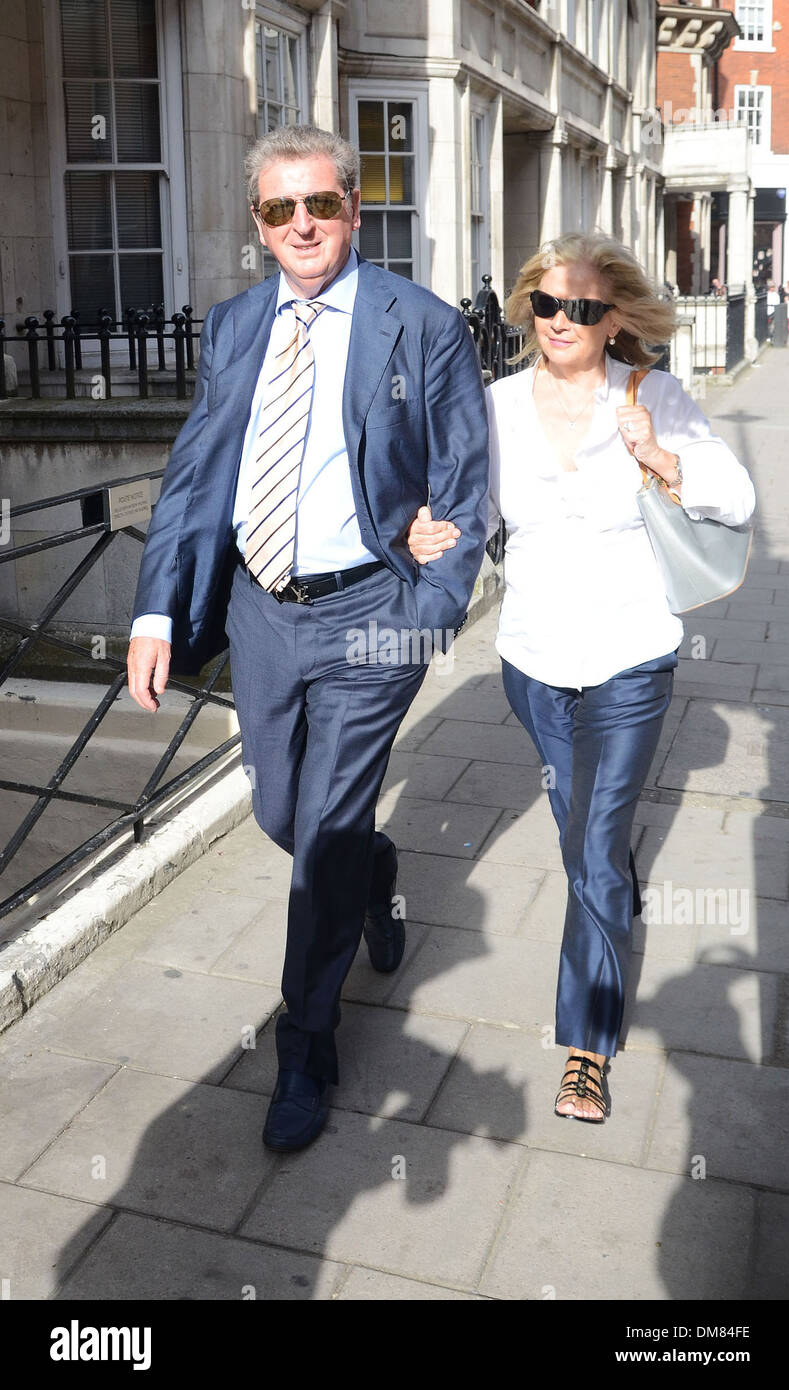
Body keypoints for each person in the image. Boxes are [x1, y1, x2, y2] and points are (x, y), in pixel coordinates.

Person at [126, 125, 489, 1152]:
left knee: (319, 830)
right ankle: (372, 872)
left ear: (353, 209)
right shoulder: (236, 323)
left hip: (371, 613)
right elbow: (197, 474)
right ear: (258, 224)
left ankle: (306, 1040)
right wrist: (157, 610)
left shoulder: (417, 325)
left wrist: (425, 615)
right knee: (285, 812)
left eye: (319, 205)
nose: (301, 226)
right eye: (279, 210)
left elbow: (465, 488)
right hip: (260, 610)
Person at [408, 233, 755, 1123]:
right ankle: (611, 891)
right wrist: (427, 535)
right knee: (587, 837)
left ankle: (585, 1047)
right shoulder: (494, 406)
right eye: (550, 304)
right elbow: (467, 516)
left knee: (595, 846)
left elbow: (738, 497)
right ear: (529, 309)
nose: (564, 320)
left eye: (586, 308)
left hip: (631, 654)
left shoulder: (653, 396)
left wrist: (664, 457)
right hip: (532, 660)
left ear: (616, 321)